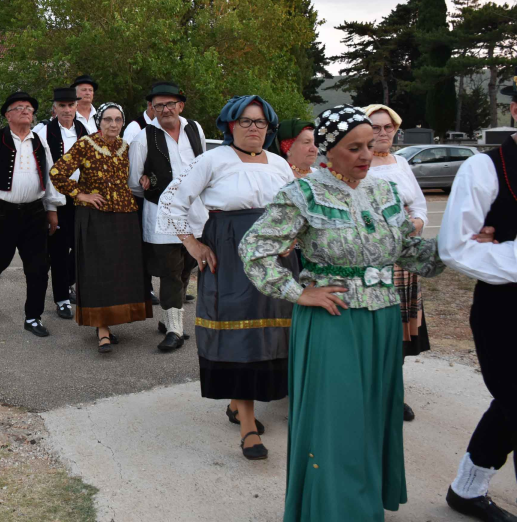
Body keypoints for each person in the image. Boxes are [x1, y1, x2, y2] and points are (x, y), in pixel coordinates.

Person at [240, 104, 446, 521]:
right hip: (332, 322)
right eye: (354, 148)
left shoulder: (384, 191)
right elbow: (253, 251)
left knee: (374, 414)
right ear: (327, 151)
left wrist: (462, 247)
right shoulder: (304, 193)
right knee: (338, 421)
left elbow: (409, 253)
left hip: (383, 320)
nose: (367, 155)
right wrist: (299, 292)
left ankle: (365, 501)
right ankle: (336, 510)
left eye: (371, 145)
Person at [157, 95, 295, 460]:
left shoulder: (281, 165)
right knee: (240, 335)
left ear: (269, 128)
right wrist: (193, 245)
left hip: (276, 258)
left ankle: (242, 404)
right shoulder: (212, 160)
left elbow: (297, 208)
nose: (253, 128)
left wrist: (291, 238)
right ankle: (248, 426)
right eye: (245, 122)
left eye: (260, 122)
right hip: (230, 255)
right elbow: (173, 200)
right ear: (230, 125)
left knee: (273, 333)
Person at [439, 74, 517, 522]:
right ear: (513, 110)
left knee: (508, 405)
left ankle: (466, 490)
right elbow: (455, 246)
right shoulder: (484, 168)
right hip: (506, 309)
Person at [50, 102, 151, 353]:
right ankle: (102, 329)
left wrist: (147, 177)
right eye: (108, 119)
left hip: (126, 216)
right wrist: (80, 195)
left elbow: (138, 174)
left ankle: (115, 319)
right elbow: (56, 172)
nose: (113, 124)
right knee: (98, 272)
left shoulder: (127, 147)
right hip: (95, 217)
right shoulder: (86, 144)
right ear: (99, 122)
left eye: (118, 120)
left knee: (121, 272)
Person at [0, 91, 64, 335]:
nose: (26, 111)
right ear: (8, 115)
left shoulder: (40, 142)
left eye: (29, 107)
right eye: (19, 107)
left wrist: (51, 209)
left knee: (39, 267)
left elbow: (50, 177)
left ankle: (33, 317)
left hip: (33, 213)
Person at [363, 103, 431, 422]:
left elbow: (419, 206)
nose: (383, 133)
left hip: (403, 256)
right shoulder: (357, 164)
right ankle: (367, 395)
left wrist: (413, 226)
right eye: (375, 127)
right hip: (369, 259)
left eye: (388, 127)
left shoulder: (401, 162)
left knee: (399, 330)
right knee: (373, 327)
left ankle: (393, 394)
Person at [127, 82, 207, 352]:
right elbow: (134, 182)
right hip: (162, 215)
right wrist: (153, 184)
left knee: (186, 267)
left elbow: (204, 165)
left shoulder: (195, 129)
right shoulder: (142, 138)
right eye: (158, 105)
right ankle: (174, 329)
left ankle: (168, 319)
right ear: (152, 108)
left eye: (170, 104)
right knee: (171, 271)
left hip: (195, 213)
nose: (165, 109)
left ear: (180, 106)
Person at [35, 87, 88, 319]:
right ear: (54, 108)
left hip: (81, 198)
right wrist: (51, 207)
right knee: (57, 250)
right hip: (56, 199)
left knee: (81, 247)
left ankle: (68, 282)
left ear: (77, 107)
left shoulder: (85, 130)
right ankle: (62, 298)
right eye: (62, 106)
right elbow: (44, 171)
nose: (67, 110)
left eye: (71, 105)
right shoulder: (43, 132)